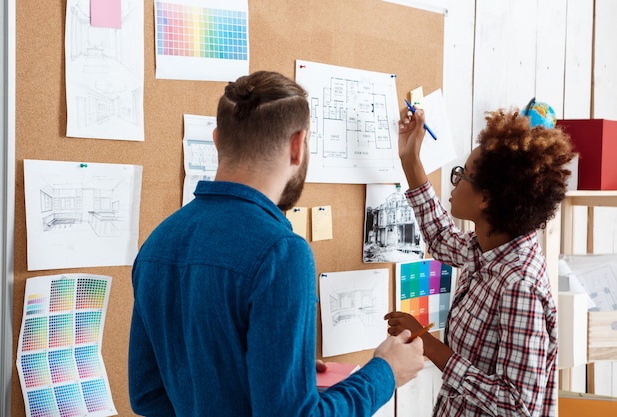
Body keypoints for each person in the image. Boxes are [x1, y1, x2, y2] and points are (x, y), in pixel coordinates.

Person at [128, 70, 425, 417]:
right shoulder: (281, 252)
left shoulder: (158, 243)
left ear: (216, 139)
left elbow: (147, 395)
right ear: (297, 145)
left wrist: (278, 374)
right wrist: (385, 373)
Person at [385, 105, 575, 416]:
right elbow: (441, 239)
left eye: (462, 175)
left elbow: (517, 406)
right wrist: (410, 158)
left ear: (486, 198)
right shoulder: (490, 248)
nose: (455, 182)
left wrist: (430, 346)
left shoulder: (518, 285)